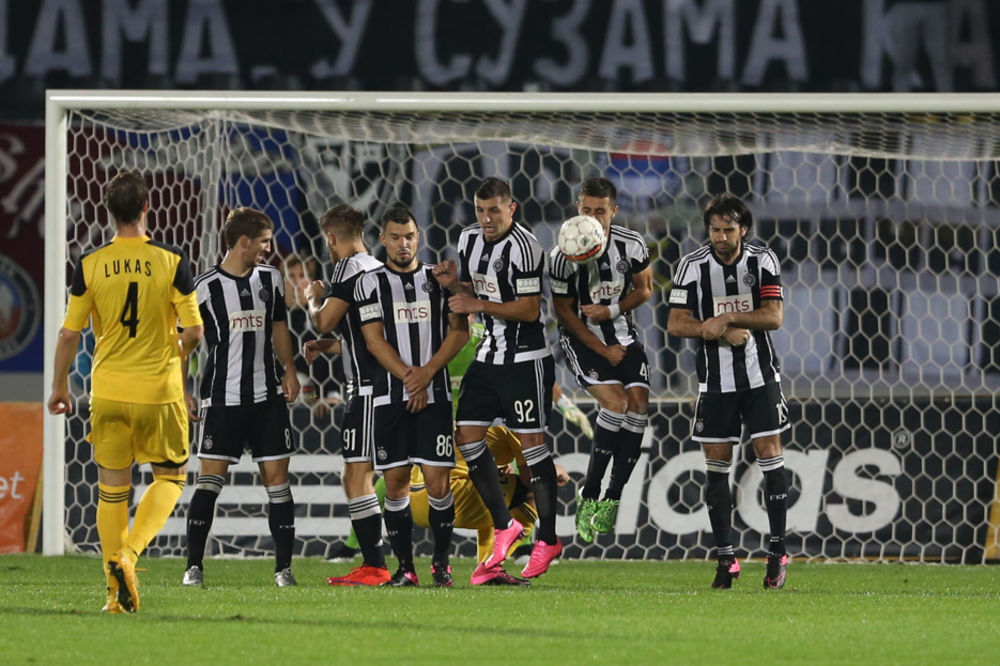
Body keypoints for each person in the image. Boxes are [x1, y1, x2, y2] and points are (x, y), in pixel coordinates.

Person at [46, 170, 204, 613]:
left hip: (107, 391)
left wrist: (60, 386)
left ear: (109, 211)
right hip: (159, 391)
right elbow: (194, 331)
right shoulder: (172, 260)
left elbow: (67, 335)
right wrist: (175, 353)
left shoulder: (90, 263)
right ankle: (128, 556)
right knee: (170, 476)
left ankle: (114, 598)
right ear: (147, 208)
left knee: (112, 490)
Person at [433, 177, 562, 582]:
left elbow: (527, 310)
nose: (486, 218)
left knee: (532, 448)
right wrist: (453, 285)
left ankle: (549, 538)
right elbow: (473, 290)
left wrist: (476, 302)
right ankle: (505, 524)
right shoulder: (468, 239)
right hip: (489, 355)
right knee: (467, 436)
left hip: (526, 360)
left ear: (512, 209)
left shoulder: (526, 248)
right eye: (480, 210)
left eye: (494, 210)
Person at [667, 194, 791, 590]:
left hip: (760, 379)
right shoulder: (690, 266)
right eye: (715, 230)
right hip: (714, 383)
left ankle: (776, 552)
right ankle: (726, 558)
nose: (721, 237)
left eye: (728, 230)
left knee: (770, 456)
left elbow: (773, 317)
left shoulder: (762, 260)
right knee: (716, 467)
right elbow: (675, 323)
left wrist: (727, 317)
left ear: (744, 230)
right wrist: (708, 327)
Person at [181, 207, 301, 588]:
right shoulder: (203, 287)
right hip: (222, 398)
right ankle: (193, 567)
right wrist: (182, 389)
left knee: (278, 482)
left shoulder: (272, 279)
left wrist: (290, 367)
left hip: (267, 398)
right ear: (244, 242)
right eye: (265, 241)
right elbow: (185, 342)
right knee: (208, 483)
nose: (269, 248)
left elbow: (279, 325)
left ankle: (283, 569)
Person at [355, 205, 469, 587]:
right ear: (382, 239)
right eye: (395, 237)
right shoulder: (368, 283)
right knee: (398, 482)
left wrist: (426, 375)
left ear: (418, 238)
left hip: (434, 395)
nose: (403, 244)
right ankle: (406, 568)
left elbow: (460, 332)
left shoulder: (439, 280)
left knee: (438, 483)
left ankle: (441, 563)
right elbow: (373, 341)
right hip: (391, 397)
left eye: (409, 236)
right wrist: (410, 379)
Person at [549, 177, 653, 542]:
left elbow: (645, 289)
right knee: (618, 403)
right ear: (578, 207)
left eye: (600, 210)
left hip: (623, 333)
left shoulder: (632, 244)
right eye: (585, 209)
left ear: (614, 211)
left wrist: (611, 310)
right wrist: (601, 347)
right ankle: (590, 492)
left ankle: (613, 495)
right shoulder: (562, 255)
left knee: (639, 406)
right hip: (582, 342)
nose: (591, 217)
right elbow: (564, 313)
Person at [305, 204, 390, 587]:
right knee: (377, 475)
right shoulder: (378, 268)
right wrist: (332, 347)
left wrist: (312, 297)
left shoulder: (346, 269)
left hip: (367, 388)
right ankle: (385, 563)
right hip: (388, 383)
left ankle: (375, 565)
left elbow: (323, 318)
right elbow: (369, 337)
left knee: (357, 476)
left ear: (332, 238)